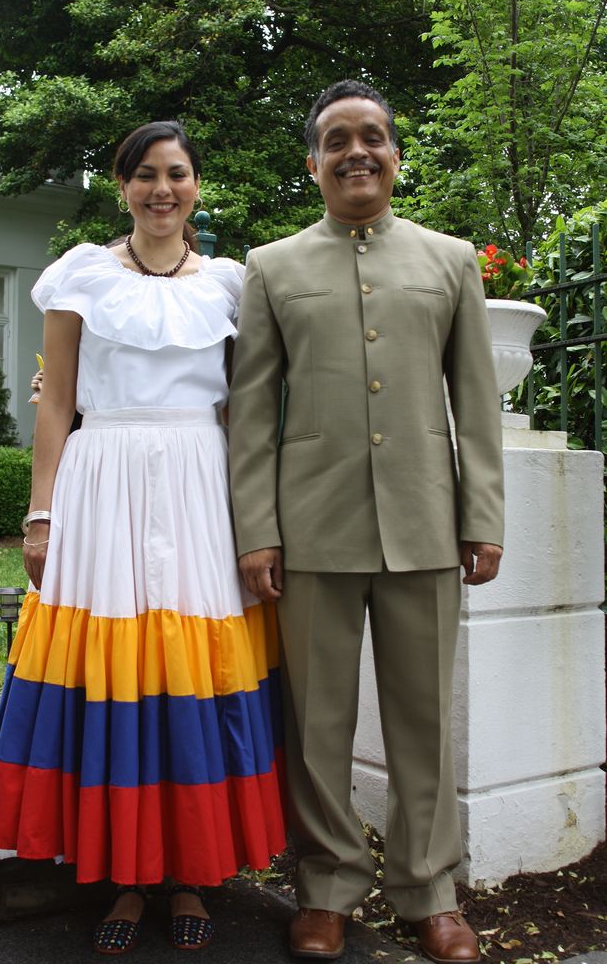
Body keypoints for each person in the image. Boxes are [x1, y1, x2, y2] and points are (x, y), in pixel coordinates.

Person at [0, 120, 286, 954]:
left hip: (198, 485)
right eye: (144, 174)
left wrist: (258, 517)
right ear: (121, 186)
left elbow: (244, 410)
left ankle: (189, 873)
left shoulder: (228, 283)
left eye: (176, 174)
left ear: (195, 186)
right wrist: (41, 513)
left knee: (192, 665)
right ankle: (126, 876)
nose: (161, 189)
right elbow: (56, 400)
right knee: (111, 666)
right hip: (101, 480)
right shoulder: (81, 275)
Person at [228, 80, 504, 963]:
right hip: (312, 529)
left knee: (422, 721)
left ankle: (430, 892)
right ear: (312, 162)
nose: (357, 151)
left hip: (425, 522)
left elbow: (476, 402)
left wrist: (481, 515)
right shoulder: (271, 266)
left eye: (372, 137)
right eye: (337, 139)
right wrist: (257, 530)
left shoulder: (448, 259)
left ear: (393, 153)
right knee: (315, 724)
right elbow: (251, 409)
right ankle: (327, 887)